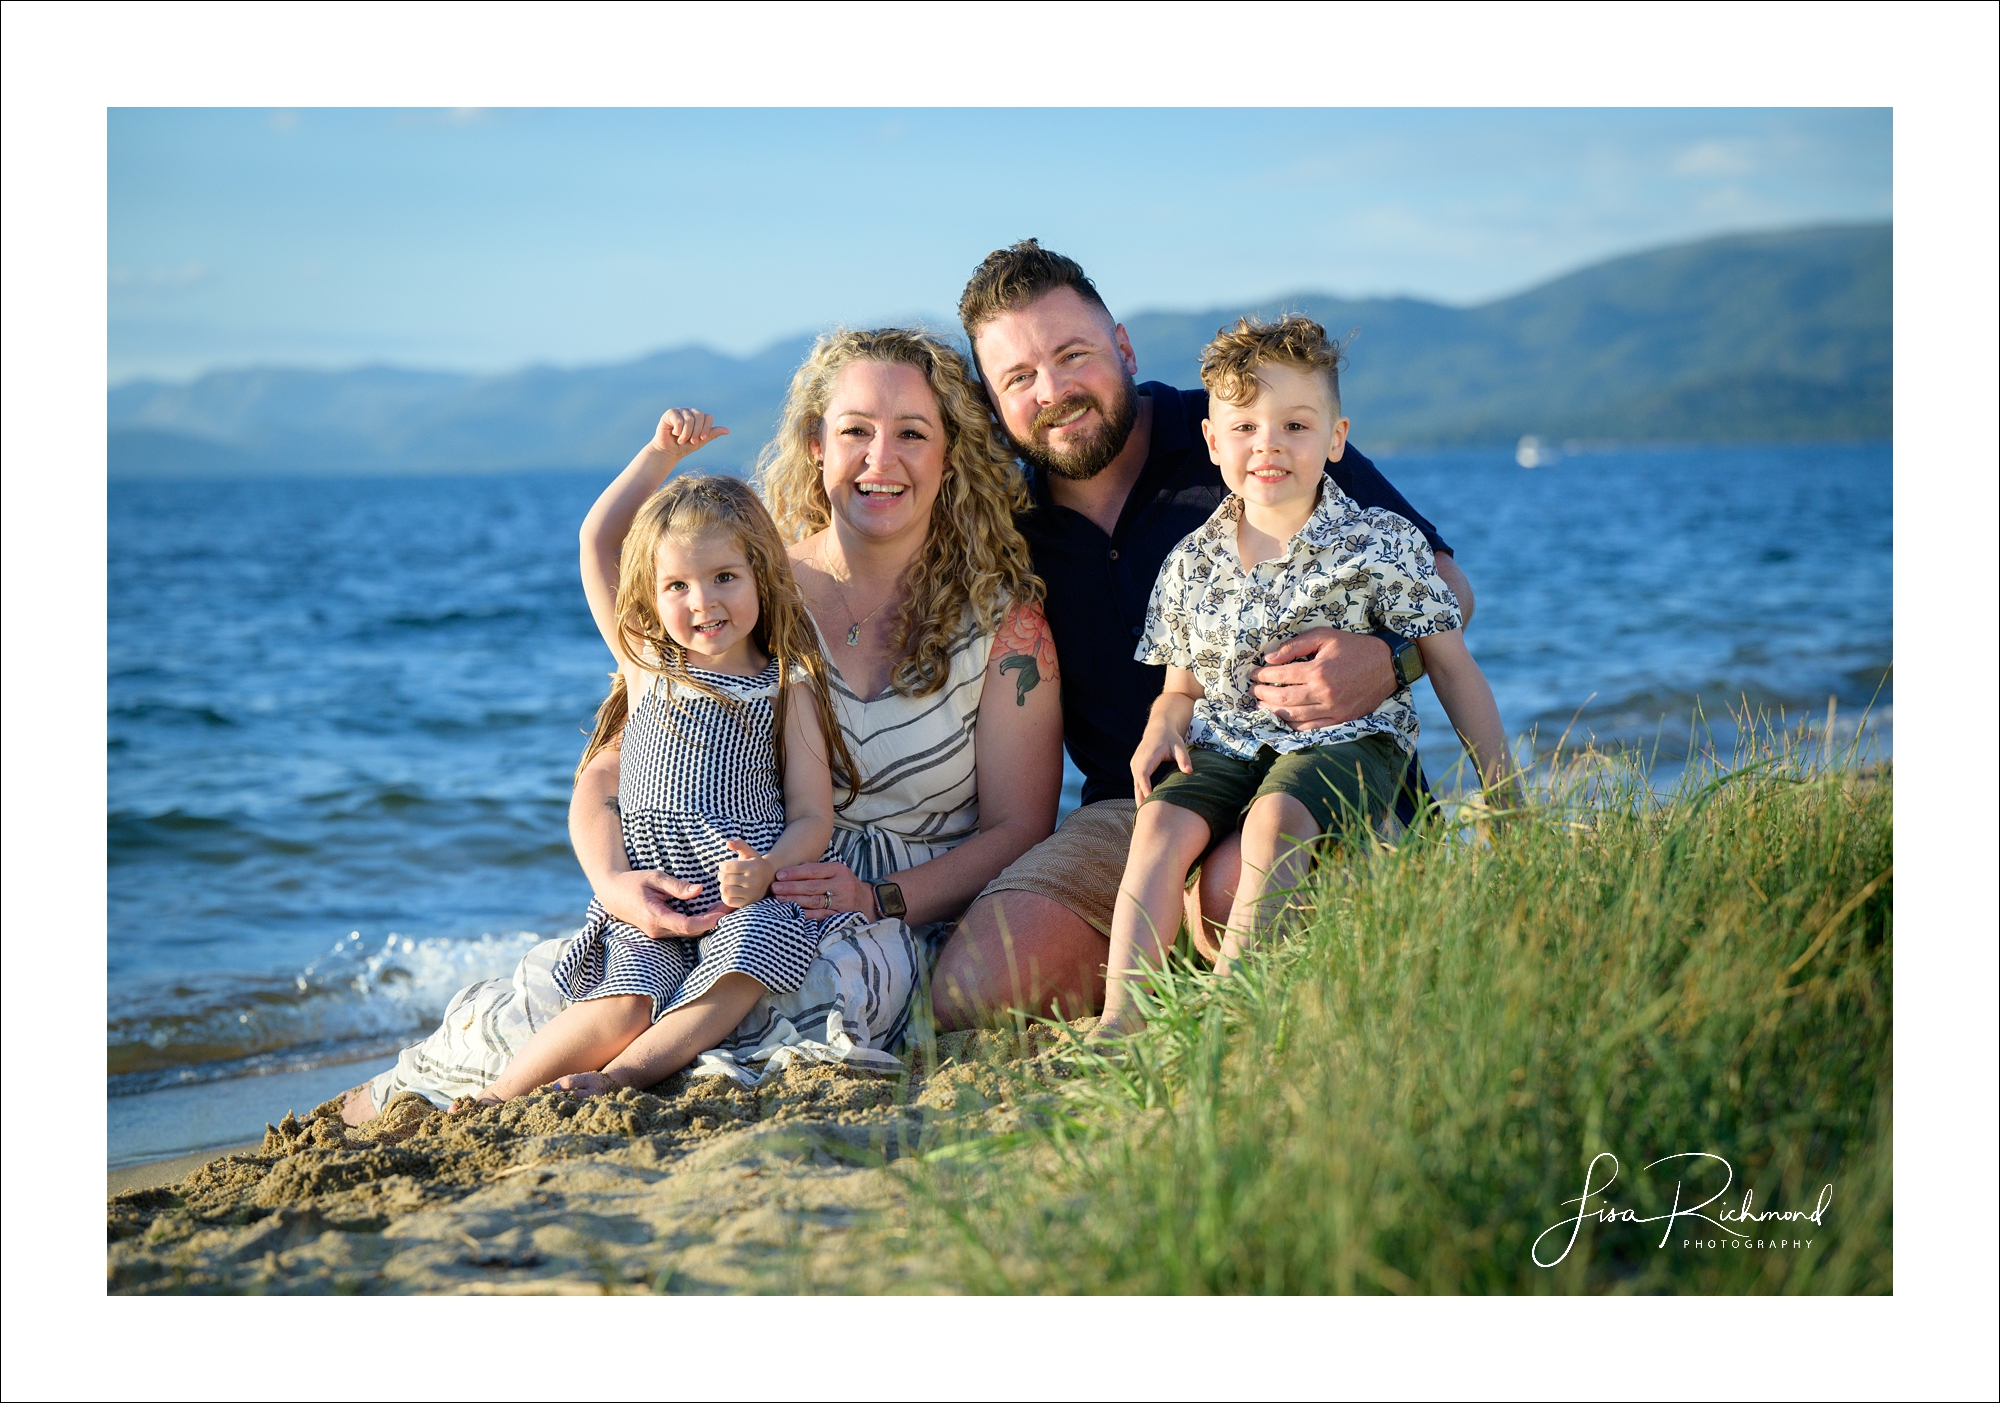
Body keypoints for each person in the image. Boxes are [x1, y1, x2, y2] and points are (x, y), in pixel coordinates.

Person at [343, 328, 1061, 1119]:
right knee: (544, 1000)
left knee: (786, 998)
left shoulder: (1004, 622)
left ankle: (625, 1080)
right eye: (855, 430)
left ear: (951, 453)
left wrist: (879, 896)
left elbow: (1019, 825)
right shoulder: (735, 589)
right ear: (817, 445)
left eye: (912, 433)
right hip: (696, 890)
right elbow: (614, 770)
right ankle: (381, 1106)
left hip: (886, 910)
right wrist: (617, 886)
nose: (879, 459)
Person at [933, 241, 1479, 1028]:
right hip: (1144, 804)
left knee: (1232, 886)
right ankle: (1176, 970)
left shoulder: (1248, 431)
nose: (1053, 391)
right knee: (975, 985)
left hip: (1318, 770)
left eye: (1072, 354)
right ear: (991, 398)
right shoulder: (1008, 522)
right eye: (1019, 377)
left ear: (1121, 345)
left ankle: (1244, 968)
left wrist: (1388, 665)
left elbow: (1451, 588)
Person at [1097, 315, 1513, 1037]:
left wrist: (1505, 800)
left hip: (1348, 739)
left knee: (1273, 823)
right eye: (1247, 426)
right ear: (1212, 441)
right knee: (1159, 823)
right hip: (1229, 741)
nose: (1269, 445)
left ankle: (1233, 1010)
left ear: (1336, 436)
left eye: (1295, 424)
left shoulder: (1379, 543)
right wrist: (1163, 723)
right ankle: (1120, 1016)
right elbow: (1180, 685)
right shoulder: (1192, 561)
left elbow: (1451, 664)